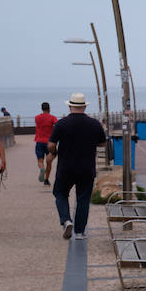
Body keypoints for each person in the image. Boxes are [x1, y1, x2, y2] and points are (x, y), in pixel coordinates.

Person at [45, 92, 107, 240]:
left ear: (70, 106)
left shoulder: (61, 124)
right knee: (83, 199)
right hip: (87, 168)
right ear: (84, 107)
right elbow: (103, 143)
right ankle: (79, 232)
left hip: (66, 168)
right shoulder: (94, 124)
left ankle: (66, 220)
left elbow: (51, 145)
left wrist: (54, 153)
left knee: (60, 193)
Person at [34, 102, 58, 184]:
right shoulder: (52, 118)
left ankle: (41, 168)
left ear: (42, 108)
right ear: (49, 108)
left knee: (40, 160)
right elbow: (57, 126)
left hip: (39, 141)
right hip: (49, 143)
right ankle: (46, 180)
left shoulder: (37, 118)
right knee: (49, 161)